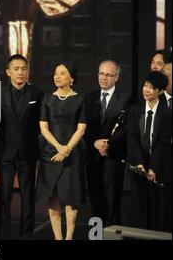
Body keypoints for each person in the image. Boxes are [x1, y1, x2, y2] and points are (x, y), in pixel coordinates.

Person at [36, 62, 87, 240]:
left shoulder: (80, 99)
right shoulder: (47, 99)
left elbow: (81, 129)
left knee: (70, 197)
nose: (57, 76)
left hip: (73, 153)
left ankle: (69, 237)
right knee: (53, 197)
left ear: (72, 78)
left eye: (62, 73)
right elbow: (43, 127)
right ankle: (58, 238)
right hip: (51, 152)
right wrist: (58, 147)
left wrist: (67, 149)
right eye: (56, 73)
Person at [0, 54, 44, 239]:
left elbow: (41, 124)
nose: (20, 72)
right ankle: (3, 235)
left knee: (27, 196)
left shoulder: (37, 94)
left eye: (24, 68)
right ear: (8, 72)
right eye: (16, 69)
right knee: (4, 196)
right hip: (5, 153)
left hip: (28, 153)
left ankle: (26, 234)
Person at [84, 60, 131, 226]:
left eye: (108, 75)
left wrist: (108, 144)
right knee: (95, 203)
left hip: (113, 158)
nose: (103, 78)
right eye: (101, 74)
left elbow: (126, 128)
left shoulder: (125, 99)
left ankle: (112, 236)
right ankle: (95, 236)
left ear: (116, 77)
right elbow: (84, 127)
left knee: (112, 203)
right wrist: (95, 142)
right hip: (93, 158)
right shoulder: (88, 98)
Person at [126, 72, 172, 232]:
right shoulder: (134, 110)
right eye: (145, 86)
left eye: (152, 88)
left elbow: (164, 143)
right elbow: (132, 139)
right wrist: (140, 163)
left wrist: (153, 167)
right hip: (139, 168)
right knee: (139, 212)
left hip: (159, 169)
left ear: (160, 91)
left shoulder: (167, 113)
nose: (146, 90)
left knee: (159, 213)